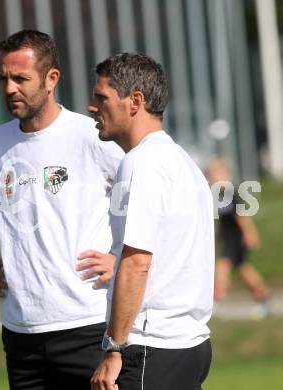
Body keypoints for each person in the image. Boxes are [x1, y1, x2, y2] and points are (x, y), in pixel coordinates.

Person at [0, 29, 123, 390]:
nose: (9, 88)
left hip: (88, 324)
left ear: (51, 79)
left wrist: (119, 259)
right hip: (21, 332)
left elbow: (152, 204)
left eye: (20, 78)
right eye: (3, 78)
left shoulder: (92, 137)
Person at [88, 53, 214, 390]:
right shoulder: (182, 160)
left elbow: (137, 263)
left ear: (135, 101)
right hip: (190, 345)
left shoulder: (140, 163)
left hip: (151, 347)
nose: (91, 106)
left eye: (101, 97)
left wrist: (114, 348)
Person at [207, 159, 270, 318]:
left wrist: (250, 234)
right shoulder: (220, 195)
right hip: (229, 239)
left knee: (222, 268)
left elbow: (241, 216)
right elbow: (224, 220)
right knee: (244, 271)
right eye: (212, 176)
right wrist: (219, 236)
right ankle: (262, 296)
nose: (214, 179)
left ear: (225, 175)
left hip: (236, 239)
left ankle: (215, 301)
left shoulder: (231, 194)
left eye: (217, 175)